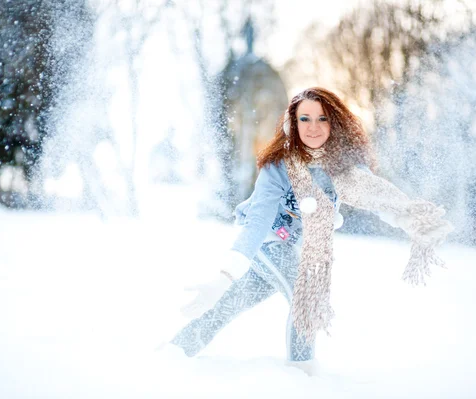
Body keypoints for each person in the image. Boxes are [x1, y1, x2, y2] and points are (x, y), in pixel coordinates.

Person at [167, 87, 453, 374]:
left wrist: (415, 222)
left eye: (322, 119)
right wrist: (224, 276)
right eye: (305, 119)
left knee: (230, 306)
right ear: (293, 123)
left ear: (334, 123)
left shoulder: (345, 168)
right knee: (305, 295)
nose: (313, 128)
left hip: (298, 249)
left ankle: (175, 350)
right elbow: (258, 221)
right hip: (267, 242)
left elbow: (378, 198)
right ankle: (301, 371)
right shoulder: (278, 167)